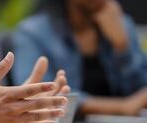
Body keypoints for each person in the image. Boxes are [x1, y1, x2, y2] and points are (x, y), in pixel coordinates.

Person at [12, 0, 147, 116]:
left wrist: (122, 47)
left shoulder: (121, 24)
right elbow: (37, 94)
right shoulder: (34, 33)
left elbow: (140, 88)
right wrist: (122, 107)